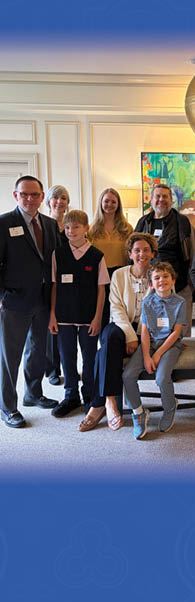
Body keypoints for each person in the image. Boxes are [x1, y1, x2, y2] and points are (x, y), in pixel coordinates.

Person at [78, 232, 158, 433]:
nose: (141, 254)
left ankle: (98, 404)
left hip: (147, 329)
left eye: (146, 250)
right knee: (111, 337)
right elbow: (116, 307)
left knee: (102, 353)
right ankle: (111, 402)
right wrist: (130, 336)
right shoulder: (119, 274)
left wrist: (139, 335)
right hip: (122, 325)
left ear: (153, 253)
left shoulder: (159, 274)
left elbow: (160, 308)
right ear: (130, 253)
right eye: (137, 250)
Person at [0, 175, 59, 428]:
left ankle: (33, 393)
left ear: (42, 196)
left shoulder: (50, 224)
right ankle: (7, 407)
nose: (30, 198)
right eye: (24, 194)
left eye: (35, 194)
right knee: (9, 357)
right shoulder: (4, 223)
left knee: (37, 350)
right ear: (16, 195)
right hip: (14, 300)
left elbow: (54, 261)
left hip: (43, 300)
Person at [49, 210, 109, 417]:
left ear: (86, 228)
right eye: (67, 227)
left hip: (88, 317)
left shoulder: (97, 256)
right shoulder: (58, 254)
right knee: (67, 357)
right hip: (63, 316)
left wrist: (97, 318)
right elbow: (54, 286)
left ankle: (89, 395)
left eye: (76, 227)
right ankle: (71, 395)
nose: (71, 231)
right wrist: (52, 315)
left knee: (89, 357)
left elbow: (101, 290)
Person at [122, 261, 186, 438]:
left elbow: (176, 332)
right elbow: (144, 331)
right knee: (127, 376)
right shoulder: (147, 302)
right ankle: (138, 412)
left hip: (170, 344)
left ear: (173, 280)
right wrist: (146, 356)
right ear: (151, 284)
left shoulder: (180, 302)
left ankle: (170, 407)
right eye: (157, 278)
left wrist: (157, 355)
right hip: (149, 343)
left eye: (166, 276)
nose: (162, 280)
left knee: (162, 377)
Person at [135, 184, 195, 335]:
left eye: (165, 196)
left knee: (181, 331)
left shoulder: (182, 222)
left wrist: (192, 281)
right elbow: (134, 252)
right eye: (158, 196)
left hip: (180, 284)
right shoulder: (143, 222)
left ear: (171, 200)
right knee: (152, 329)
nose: (161, 199)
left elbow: (194, 251)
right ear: (151, 200)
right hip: (149, 286)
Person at [88, 188, 133, 330]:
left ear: (118, 205)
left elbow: (131, 252)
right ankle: (103, 340)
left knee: (120, 310)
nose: (109, 205)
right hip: (99, 274)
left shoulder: (127, 228)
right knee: (102, 310)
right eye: (106, 201)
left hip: (120, 273)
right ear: (101, 203)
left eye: (113, 202)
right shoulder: (91, 229)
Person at [44, 184, 71, 385]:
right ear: (49, 201)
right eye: (56, 198)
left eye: (63, 198)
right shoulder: (44, 225)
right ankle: (53, 369)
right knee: (51, 327)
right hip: (49, 279)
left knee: (68, 327)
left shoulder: (71, 224)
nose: (59, 202)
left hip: (69, 281)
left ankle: (69, 366)